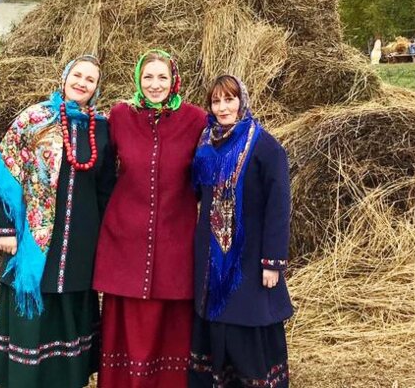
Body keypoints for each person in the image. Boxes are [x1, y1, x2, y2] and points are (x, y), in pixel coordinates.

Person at [0, 55, 116, 388]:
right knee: (34, 304)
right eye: (77, 75)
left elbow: (105, 188)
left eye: (90, 80)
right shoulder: (35, 118)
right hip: (33, 238)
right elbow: (6, 171)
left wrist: (108, 237)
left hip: (79, 240)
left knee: (69, 306)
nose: (82, 83)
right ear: (65, 77)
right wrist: (5, 228)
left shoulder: (100, 127)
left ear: (96, 88)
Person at [94, 49, 209, 388]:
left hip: (176, 235)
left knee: (171, 320)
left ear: (174, 80)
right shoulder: (119, 116)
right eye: (148, 77)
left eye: (162, 77)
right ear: (137, 80)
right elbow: (99, 170)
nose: (155, 84)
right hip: (125, 236)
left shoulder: (196, 119)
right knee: (128, 319)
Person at [188, 75, 292, 388]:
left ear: (242, 101)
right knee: (216, 320)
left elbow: (279, 205)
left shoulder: (264, 145)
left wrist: (272, 261)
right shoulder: (207, 141)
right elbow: (196, 189)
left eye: (229, 99)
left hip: (249, 254)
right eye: (216, 101)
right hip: (211, 254)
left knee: (246, 318)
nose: (222, 108)